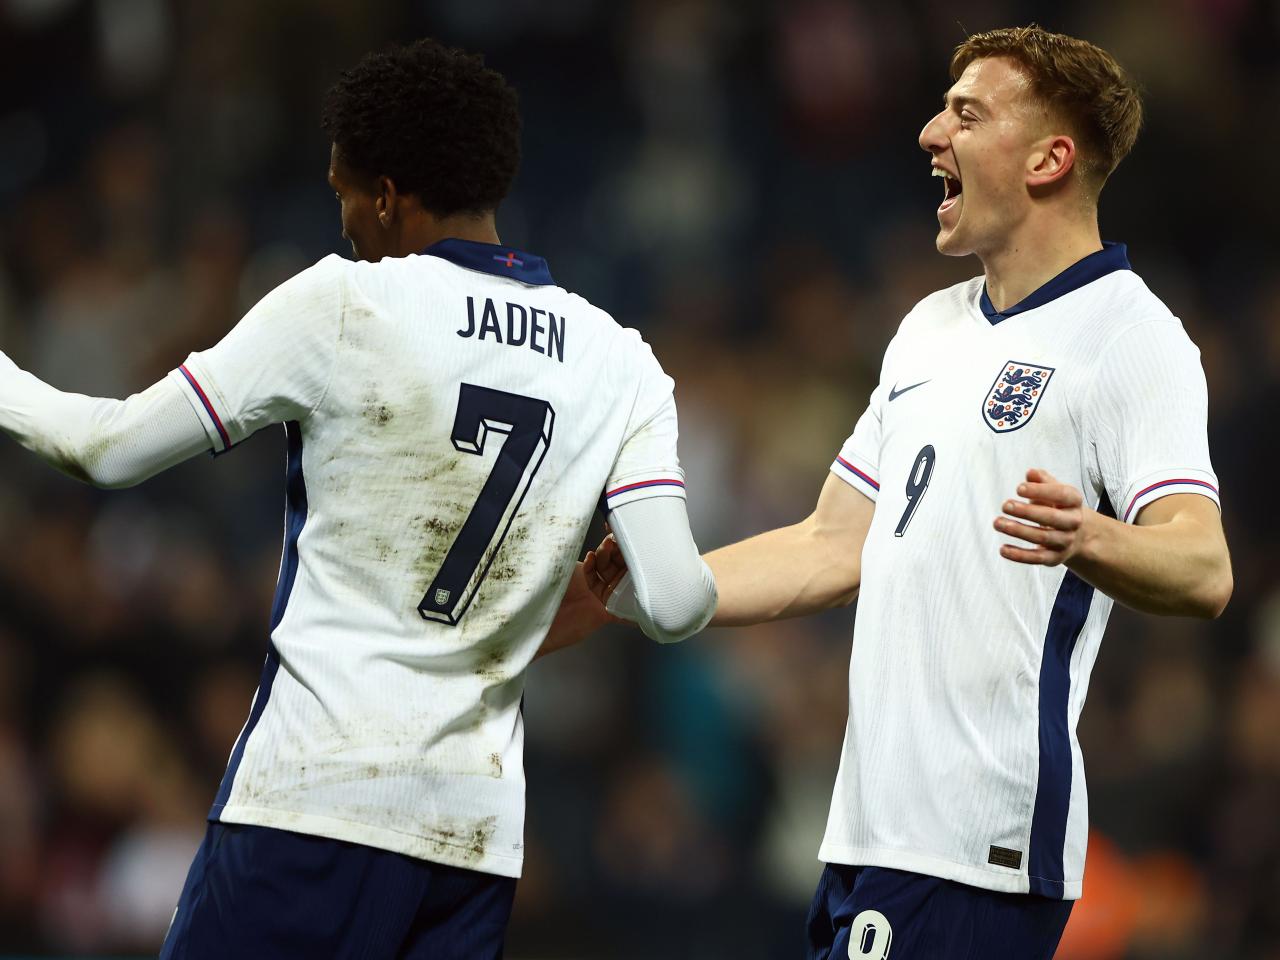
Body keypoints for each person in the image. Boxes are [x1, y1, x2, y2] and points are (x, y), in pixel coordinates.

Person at [0, 39, 715, 960]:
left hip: (311, 803)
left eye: (344, 193)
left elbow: (103, 449)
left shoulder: (343, 305)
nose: (342, 222)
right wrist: (599, 587)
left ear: (385, 194)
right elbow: (679, 598)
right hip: (471, 840)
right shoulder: (621, 360)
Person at [594, 24, 1231, 960]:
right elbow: (830, 543)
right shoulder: (929, 329)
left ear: (1052, 158)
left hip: (978, 841)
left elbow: (1204, 563)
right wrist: (642, 591)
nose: (931, 133)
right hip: (871, 834)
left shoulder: (1132, 336)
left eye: (967, 115)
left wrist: (1087, 537)